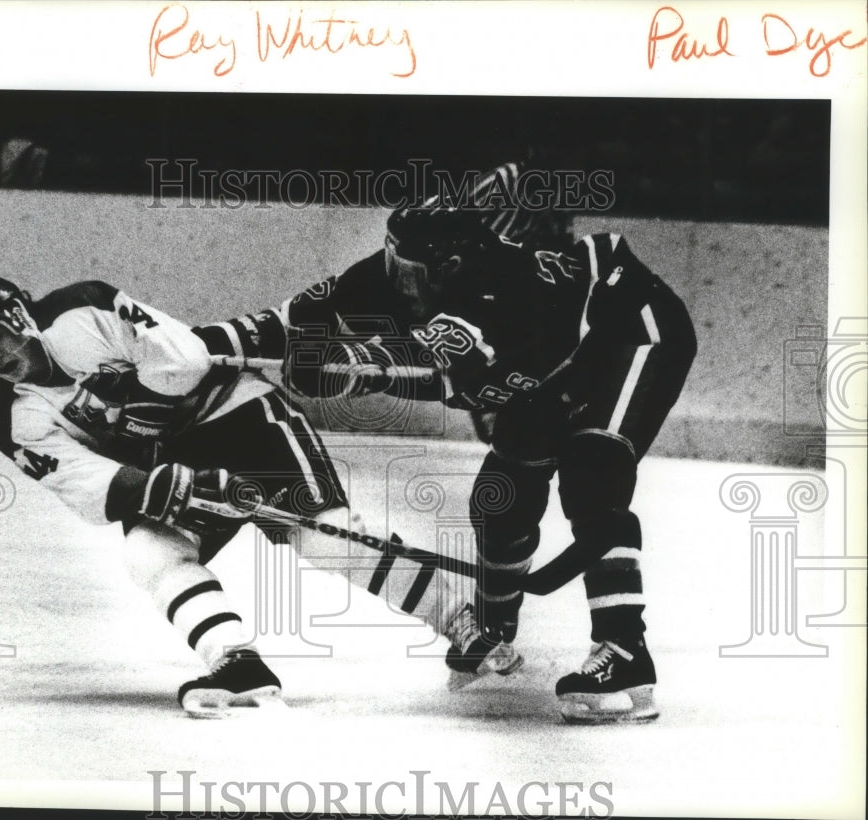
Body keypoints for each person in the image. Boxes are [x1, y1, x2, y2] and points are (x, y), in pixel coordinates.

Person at [0, 276, 520, 717]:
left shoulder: (83, 310)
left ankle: (464, 624)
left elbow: (185, 360)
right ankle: (235, 662)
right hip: (173, 465)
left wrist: (151, 432)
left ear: (20, 319)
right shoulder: (17, 421)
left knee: (324, 536)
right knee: (150, 554)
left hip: (237, 414)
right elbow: (90, 484)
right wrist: (174, 491)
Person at [233, 203, 697, 724]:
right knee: (500, 500)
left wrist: (355, 368)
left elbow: (439, 371)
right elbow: (288, 320)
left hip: (631, 330)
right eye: (392, 260)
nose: (395, 281)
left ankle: (627, 654)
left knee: (593, 474)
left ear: (451, 266)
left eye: (407, 271)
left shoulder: (509, 294)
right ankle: (495, 632)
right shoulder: (401, 269)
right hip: (553, 360)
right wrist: (188, 346)